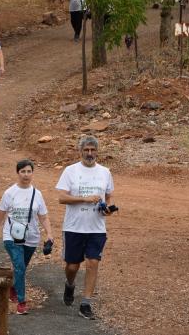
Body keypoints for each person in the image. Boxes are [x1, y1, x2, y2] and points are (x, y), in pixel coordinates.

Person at [56, 136, 116, 320]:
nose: (90, 153)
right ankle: (70, 284)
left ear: (97, 151)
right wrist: (84, 199)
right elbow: (62, 198)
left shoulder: (105, 172)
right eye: (86, 150)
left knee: (93, 263)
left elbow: (108, 196)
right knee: (72, 266)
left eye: (93, 150)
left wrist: (107, 209)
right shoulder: (70, 171)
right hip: (74, 227)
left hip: (96, 228)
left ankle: (86, 303)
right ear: (80, 151)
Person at [0, 159, 54, 315]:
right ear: (18, 173)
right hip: (12, 236)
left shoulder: (37, 194)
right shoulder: (9, 193)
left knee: (20, 268)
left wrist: (49, 233)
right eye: (23, 171)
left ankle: (13, 286)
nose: (26, 174)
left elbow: (43, 216)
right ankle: (22, 302)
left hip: (31, 237)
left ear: (32, 173)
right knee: (20, 266)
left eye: (29, 171)